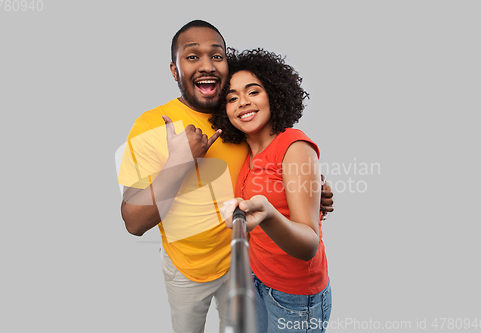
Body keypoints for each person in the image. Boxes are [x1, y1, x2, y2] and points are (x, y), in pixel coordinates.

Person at [118, 20, 333, 333]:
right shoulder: (150, 125)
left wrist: (313, 188)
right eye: (192, 57)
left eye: (217, 56)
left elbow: (279, 162)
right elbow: (133, 223)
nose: (207, 65)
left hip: (247, 266)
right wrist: (179, 162)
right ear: (174, 70)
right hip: (186, 269)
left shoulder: (239, 123)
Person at [211, 48, 331, 332]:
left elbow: (308, 245)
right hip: (259, 279)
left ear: (274, 95)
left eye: (253, 92)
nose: (242, 102)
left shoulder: (294, 147)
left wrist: (268, 214)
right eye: (232, 98)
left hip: (296, 296)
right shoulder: (247, 151)